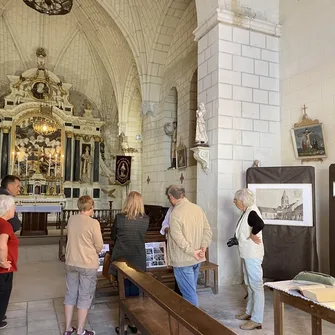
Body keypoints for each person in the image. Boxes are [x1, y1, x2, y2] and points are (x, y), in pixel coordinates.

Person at [109, 191, 149, 334]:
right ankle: (135, 322)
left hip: (122, 258)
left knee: (123, 291)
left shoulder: (120, 218)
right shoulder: (145, 219)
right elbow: (142, 235)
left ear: (127, 202)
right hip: (138, 258)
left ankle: (124, 323)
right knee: (136, 291)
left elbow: (113, 235)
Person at [63, 195, 103, 335]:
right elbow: (99, 245)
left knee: (70, 294)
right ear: (91, 207)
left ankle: (68, 328)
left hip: (71, 261)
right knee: (84, 296)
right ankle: (80, 330)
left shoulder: (72, 219)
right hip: (87, 263)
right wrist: (94, 250)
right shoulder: (93, 223)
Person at [166, 185, 212, 306]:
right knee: (191, 290)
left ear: (171, 197)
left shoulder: (175, 213)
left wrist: (192, 252)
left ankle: (192, 323)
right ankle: (187, 320)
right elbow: (207, 230)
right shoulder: (197, 209)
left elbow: (178, 238)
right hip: (197, 257)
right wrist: (203, 247)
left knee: (189, 294)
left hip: (183, 259)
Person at [233, 188, 265, 331]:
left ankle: (257, 319)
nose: (234, 202)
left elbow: (260, 224)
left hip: (253, 255)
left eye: (236, 200)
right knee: (250, 284)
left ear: (243, 201)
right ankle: (249, 312)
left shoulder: (251, 211)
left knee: (256, 285)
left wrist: (253, 234)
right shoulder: (247, 210)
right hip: (247, 254)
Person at [0, 195, 18, 330]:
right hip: (3, 269)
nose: (15, 209)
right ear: (7, 209)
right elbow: (2, 245)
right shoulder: (6, 224)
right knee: (3, 292)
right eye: (13, 207)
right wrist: (3, 262)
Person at [160, 190, 182, 296]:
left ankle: (182, 293)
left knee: (182, 268)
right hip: (172, 243)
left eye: (169, 198)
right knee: (176, 268)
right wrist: (167, 229)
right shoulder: (171, 209)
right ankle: (177, 291)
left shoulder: (187, 209)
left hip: (182, 245)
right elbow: (165, 222)